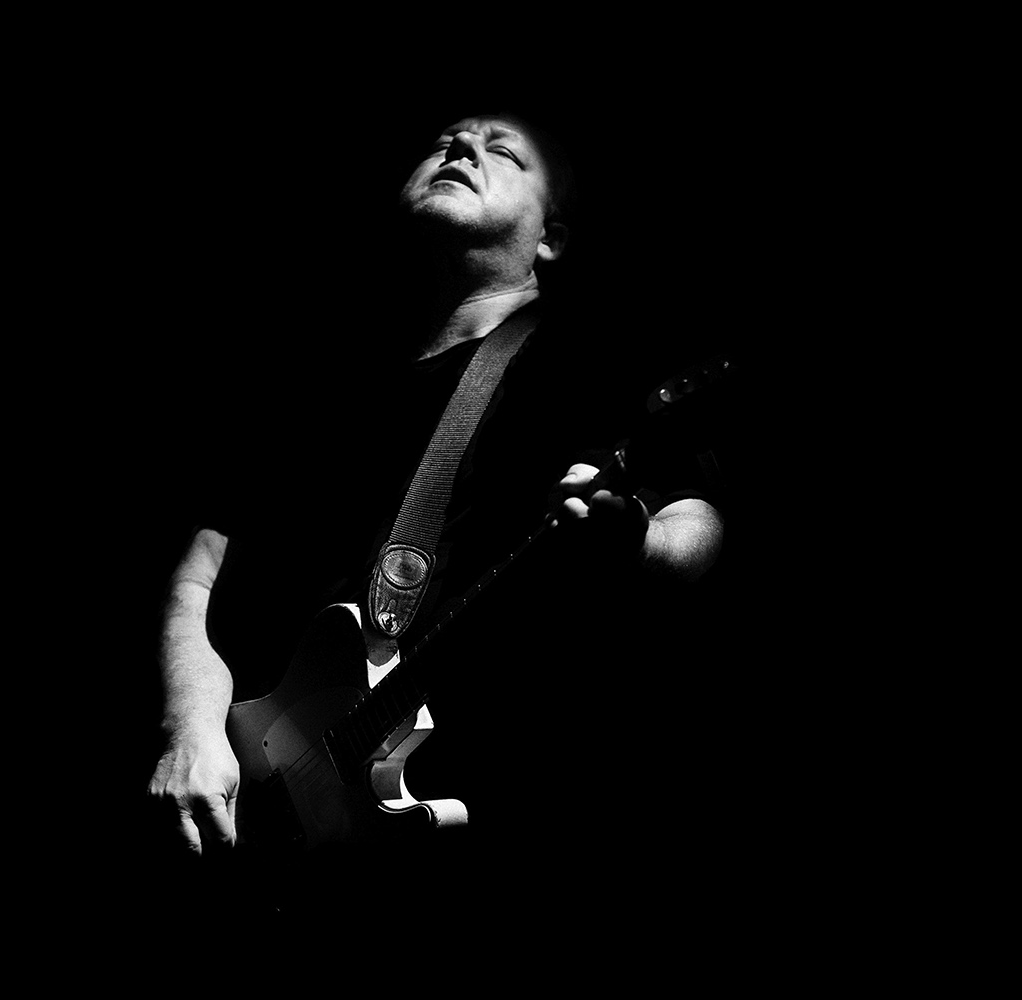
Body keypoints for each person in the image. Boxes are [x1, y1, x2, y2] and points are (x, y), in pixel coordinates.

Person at [145, 112, 730, 935]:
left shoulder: (587, 359)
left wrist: (636, 538)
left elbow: (694, 522)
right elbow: (203, 562)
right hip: (246, 811)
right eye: (448, 138)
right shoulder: (321, 376)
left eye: (503, 150)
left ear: (551, 237)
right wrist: (191, 724)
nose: (461, 148)